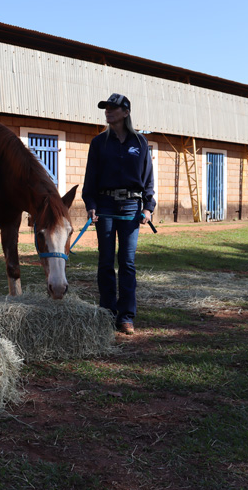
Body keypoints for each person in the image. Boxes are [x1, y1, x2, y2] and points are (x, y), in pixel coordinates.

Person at [82, 93, 155, 335]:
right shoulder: (98, 143)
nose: (108, 111)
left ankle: (126, 317)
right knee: (105, 263)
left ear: (125, 112)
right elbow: (90, 178)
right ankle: (107, 313)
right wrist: (91, 204)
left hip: (132, 209)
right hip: (104, 207)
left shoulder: (141, 143)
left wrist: (148, 207)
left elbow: (148, 179)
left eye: (113, 108)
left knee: (128, 263)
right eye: (106, 108)